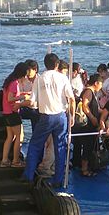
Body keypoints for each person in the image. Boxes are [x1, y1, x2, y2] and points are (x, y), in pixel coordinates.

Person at [24, 53, 75, 188]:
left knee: (35, 145)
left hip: (46, 116)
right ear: (57, 65)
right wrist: (72, 116)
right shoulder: (63, 78)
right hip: (61, 116)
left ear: (45, 64)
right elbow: (71, 99)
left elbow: (32, 101)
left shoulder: (39, 79)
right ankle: (58, 179)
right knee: (60, 148)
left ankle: (28, 176)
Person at [0, 62, 31, 168]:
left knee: (10, 137)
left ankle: (4, 160)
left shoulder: (9, 81)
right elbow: (10, 99)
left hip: (6, 113)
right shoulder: (14, 83)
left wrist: (23, 94)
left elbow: (11, 95)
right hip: (13, 113)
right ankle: (16, 161)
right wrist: (23, 98)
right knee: (19, 137)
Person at [73, 74, 103, 177]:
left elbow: (95, 108)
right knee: (88, 145)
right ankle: (84, 169)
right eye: (101, 84)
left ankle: (80, 164)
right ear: (96, 83)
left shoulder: (92, 93)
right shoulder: (89, 92)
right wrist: (92, 118)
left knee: (85, 145)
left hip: (88, 124)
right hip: (86, 125)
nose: (101, 86)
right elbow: (85, 106)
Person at [19, 59, 40, 130]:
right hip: (24, 106)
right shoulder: (22, 80)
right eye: (26, 71)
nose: (27, 73)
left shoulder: (40, 80)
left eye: (29, 70)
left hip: (37, 109)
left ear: (35, 70)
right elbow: (18, 94)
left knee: (36, 117)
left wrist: (29, 96)